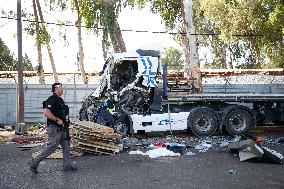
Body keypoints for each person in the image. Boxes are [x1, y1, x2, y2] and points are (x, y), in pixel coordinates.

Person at [29, 83, 77, 174]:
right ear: (56, 89)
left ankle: (67, 166)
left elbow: (58, 112)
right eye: (61, 88)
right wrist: (56, 119)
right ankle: (34, 164)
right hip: (55, 129)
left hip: (62, 129)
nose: (63, 89)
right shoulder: (52, 99)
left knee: (66, 147)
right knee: (51, 149)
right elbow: (46, 111)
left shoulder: (60, 100)